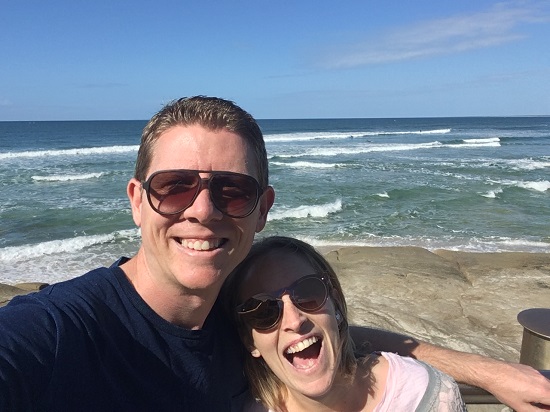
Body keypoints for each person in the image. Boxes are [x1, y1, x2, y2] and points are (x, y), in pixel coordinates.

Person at [0, 96, 548, 411]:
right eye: (174, 186)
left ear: (262, 209)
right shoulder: (56, 332)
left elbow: (333, 331)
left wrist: (493, 373)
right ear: (138, 201)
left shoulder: (241, 316)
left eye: (232, 190)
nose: (203, 210)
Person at [224, 235, 466, 411]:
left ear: (336, 303)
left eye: (308, 293)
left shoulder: (423, 396)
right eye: (264, 311)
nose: (295, 321)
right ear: (249, 341)